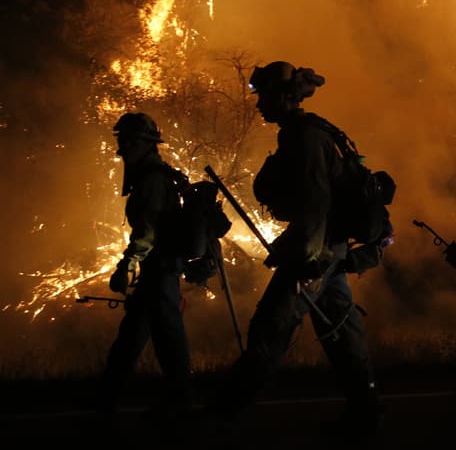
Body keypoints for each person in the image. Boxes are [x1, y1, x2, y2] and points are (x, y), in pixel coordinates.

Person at [210, 61, 379, 428]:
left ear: (283, 96)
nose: (258, 105)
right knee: (340, 329)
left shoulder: (305, 137)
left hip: (317, 251)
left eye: (264, 96)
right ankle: (365, 408)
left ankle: (227, 412)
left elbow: (316, 201)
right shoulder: (303, 132)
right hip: (328, 249)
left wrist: (307, 257)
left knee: (270, 326)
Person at [97, 112, 192, 420]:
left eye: (126, 141)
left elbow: (147, 231)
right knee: (134, 336)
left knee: (168, 338)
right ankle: (106, 399)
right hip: (158, 270)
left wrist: (127, 264)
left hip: (160, 270)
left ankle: (180, 403)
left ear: (143, 144)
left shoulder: (151, 180)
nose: (120, 149)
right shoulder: (152, 175)